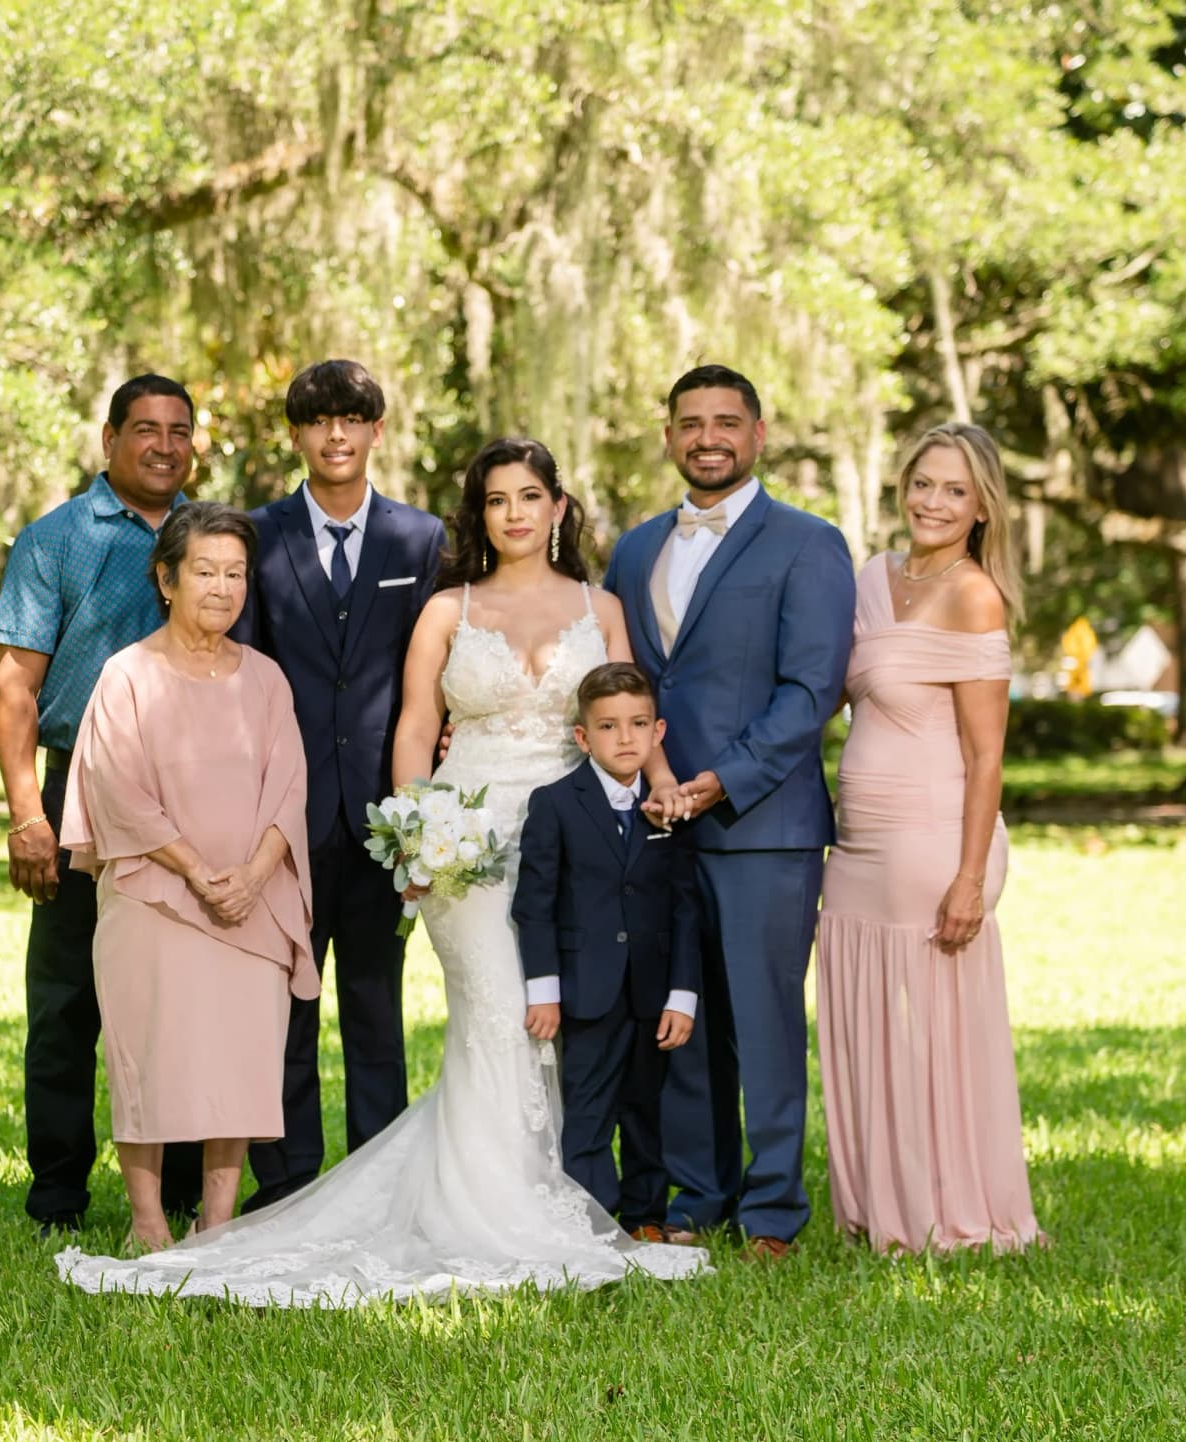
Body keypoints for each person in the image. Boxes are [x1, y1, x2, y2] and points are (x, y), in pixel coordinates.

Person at [56, 437, 706, 1304]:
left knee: (563, 1015)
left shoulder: (604, 607)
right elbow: (414, 728)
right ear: (478, 516)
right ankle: (492, 1202)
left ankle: (562, 1188)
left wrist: (663, 786)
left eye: (528, 496)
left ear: (558, 507)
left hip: (580, 841)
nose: (513, 513)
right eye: (496, 500)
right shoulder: (445, 608)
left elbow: (628, 703)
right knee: (500, 1011)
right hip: (468, 844)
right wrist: (416, 831)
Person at [603, 364, 857, 1259]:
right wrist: (653, 781)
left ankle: (774, 1208)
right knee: (681, 1019)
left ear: (758, 433)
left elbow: (810, 689)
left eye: (725, 422)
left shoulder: (809, 544)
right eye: (690, 423)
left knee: (764, 1021)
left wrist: (719, 780)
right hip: (659, 822)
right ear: (669, 435)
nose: (707, 437)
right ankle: (699, 1195)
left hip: (763, 827)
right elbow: (626, 680)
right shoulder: (635, 550)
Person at [58, 502, 317, 1253]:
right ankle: (147, 1222)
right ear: (166, 579)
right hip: (154, 896)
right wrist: (199, 872)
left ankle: (218, 1220)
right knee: (147, 1055)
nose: (222, 588)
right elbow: (117, 789)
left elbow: (289, 786)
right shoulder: (126, 676)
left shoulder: (265, 679)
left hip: (250, 902)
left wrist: (254, 875)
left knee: (237, 1060)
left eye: (236, 574)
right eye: (205, 571)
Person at [0, 373, 207, 1237]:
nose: (164, 445)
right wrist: (26, 816)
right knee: (67, 1000)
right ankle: (57, 1197)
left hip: (195, 790)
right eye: (145, 429)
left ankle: (184, 1193)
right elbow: (14, 687)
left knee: (183, 997)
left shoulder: (212, 536)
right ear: (109, 439)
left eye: (179, 431)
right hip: (79, 783)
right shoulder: (55, 539)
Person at [815, 422, 1043, 1254]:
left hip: (935, 840)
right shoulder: (871, 578)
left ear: (983, 508)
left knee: (937, 1036)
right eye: (923, 483)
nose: (934, 502)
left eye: (955, 490)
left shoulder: (974, 595)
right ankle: (882, 1207)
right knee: (867, 1027)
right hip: (857, 846)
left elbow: (987, 758)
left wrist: (970, 877)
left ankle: (953, 1212)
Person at [231, 360, 447, 1212]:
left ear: (376, 431)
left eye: (351, 419)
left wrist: (421, 809)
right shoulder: (258, 534)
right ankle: (286, 1185)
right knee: (281, 1007)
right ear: (296, 435)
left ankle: (375, 1190)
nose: (335, 435)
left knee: (375, 1007)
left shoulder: (419, 540)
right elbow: (246, 678)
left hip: (382, 819)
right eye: (318, 420)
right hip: (284, 818)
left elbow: (433, 681)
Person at [512, 661, 701, 1239]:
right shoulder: (555, 804)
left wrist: (683, 994)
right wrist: (544, 991)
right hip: (585, 988)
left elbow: (686, 907)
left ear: (657, 732)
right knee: (589, 1106)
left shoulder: (669, 810)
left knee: (646, 1107)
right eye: (609, 726)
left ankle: (645, 1215)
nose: (625, 738)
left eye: (638, 724)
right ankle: (592, 1220)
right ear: (582, 736)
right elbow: (534, 905)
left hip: (652, 989)